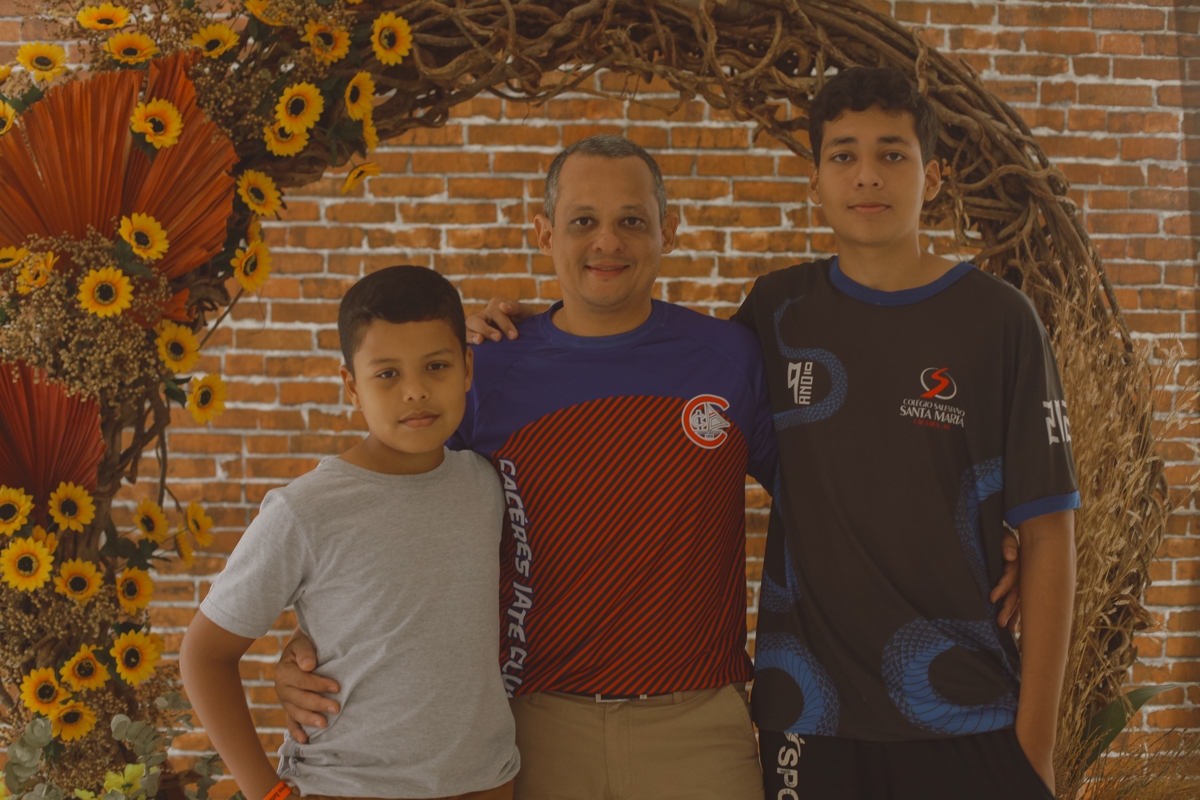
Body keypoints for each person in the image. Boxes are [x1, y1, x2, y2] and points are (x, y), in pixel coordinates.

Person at [273, 134, 1023, 800]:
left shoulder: (729, 358)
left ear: (670, 230)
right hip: (533, 729)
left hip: (700, 731)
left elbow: (831, 494)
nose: (608, 241)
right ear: (544, 232)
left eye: (632, 220)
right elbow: (392, 518)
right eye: (583, 222)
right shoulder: (484, 371)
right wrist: (311, 646)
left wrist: (974, 536)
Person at [180, 266, 519, 800]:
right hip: (346, 786)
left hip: (484, 784)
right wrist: (265, 793)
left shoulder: (487, 484)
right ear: (351, 386)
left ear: (467, 368)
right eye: (387, 374)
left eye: (436, 366)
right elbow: (203, 654)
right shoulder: (305, 510)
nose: (415, 391)